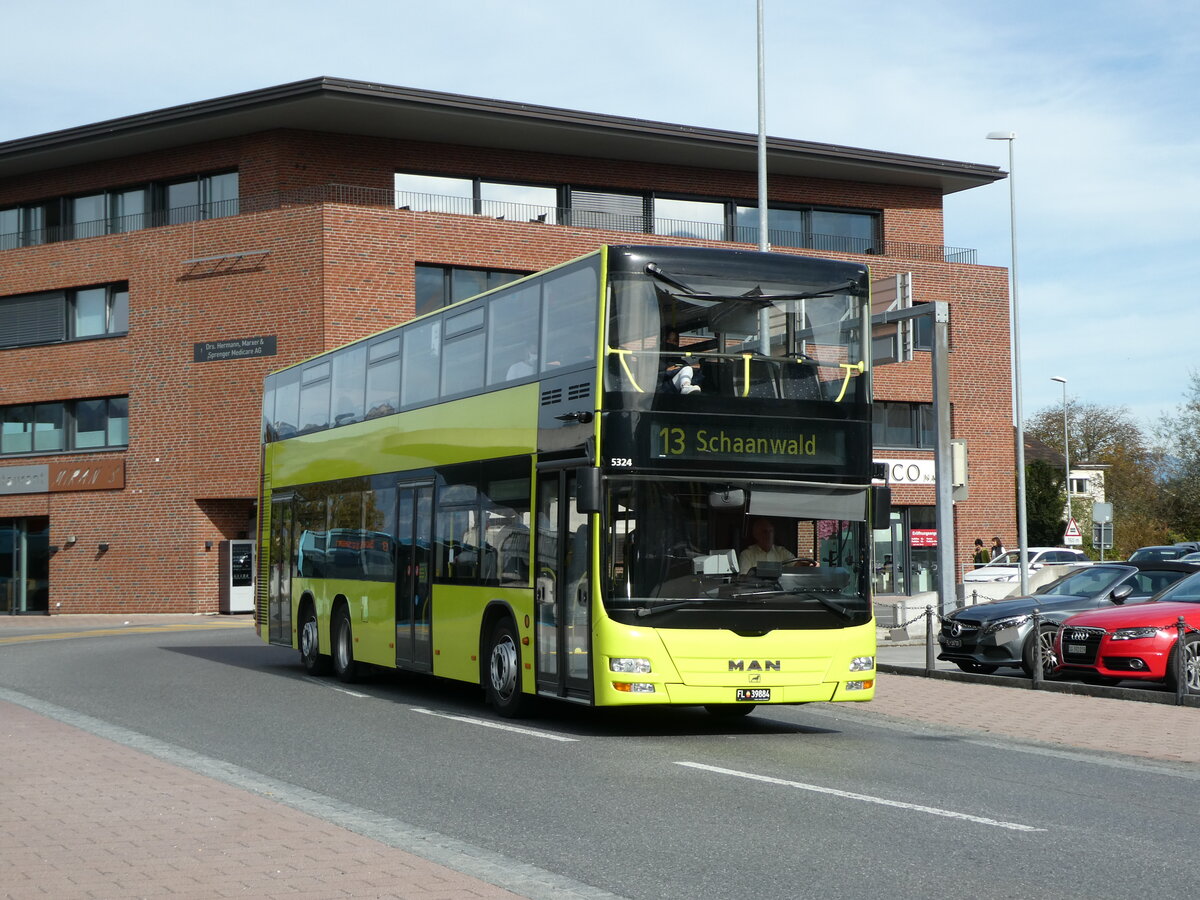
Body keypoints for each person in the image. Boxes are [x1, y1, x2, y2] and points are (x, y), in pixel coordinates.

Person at [660, 330, 702, 394]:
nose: (671, 343)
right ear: (663, 340)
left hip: (675, 390)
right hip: (660, 390)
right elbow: (651, 377)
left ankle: (686, 387)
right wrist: (667, 370)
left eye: (675, 341)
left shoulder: (680, 361)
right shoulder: (654, 359)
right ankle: (686, 387)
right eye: (669, 340)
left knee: (688, 369)